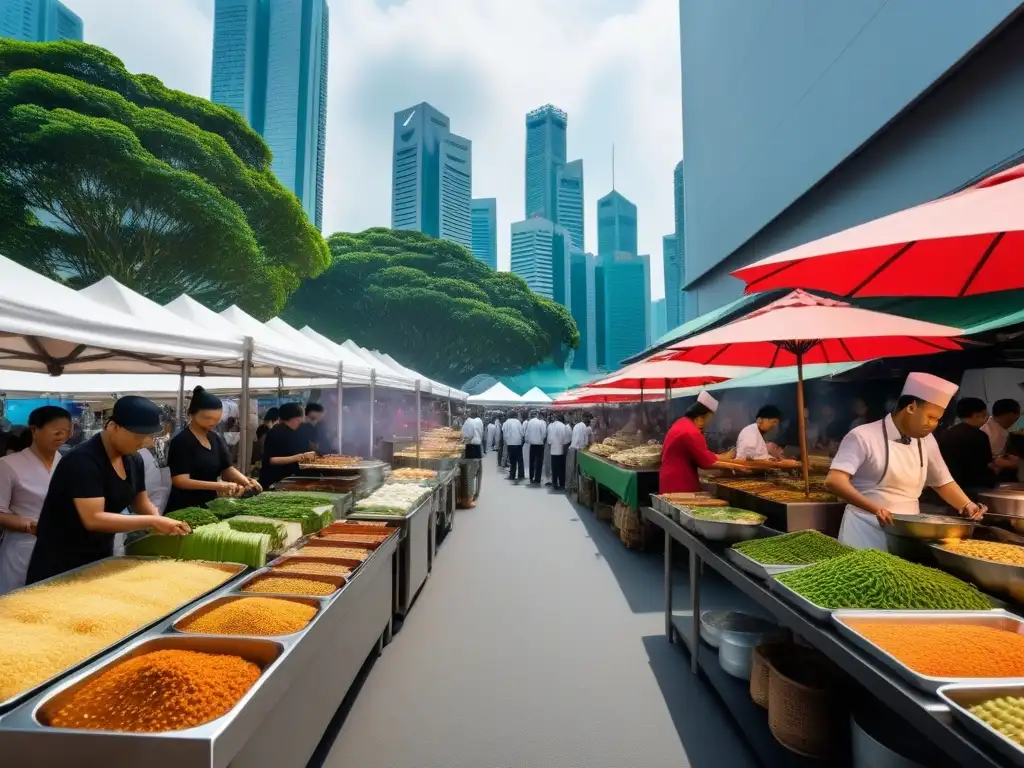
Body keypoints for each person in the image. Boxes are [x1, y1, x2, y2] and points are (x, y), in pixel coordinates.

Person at [25, 397, 191, 584]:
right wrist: (153, 521)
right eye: (138, 436)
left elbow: (140, 501)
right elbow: (93, 519)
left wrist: (159, 520)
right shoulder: (82, 460)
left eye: (149, 437)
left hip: (99, 556)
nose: (144, 442)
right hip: (61, 561)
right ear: (113, 427)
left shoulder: (133, 459)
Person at [825, 373, 986, 551]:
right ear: (911, 407)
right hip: (865, 529)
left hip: (908, 530)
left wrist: (967, 505)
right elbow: (834, 481)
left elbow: (942, 481)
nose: (933, 425)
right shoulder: (862, 435)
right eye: (930, 417)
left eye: (937, 420)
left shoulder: (927, 440)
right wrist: (875, 509)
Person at [0, 407, 71, 594]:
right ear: (34, 430)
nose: (61, 435)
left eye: (66, 430)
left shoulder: (65, 462)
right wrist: (28, 524)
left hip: (60, 546)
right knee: (17, 604)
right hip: (23, 548)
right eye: (55, 429)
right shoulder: (8, 465)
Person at [165, 387, 260, 514]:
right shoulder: (182, 441)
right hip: (185, 507)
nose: (212, 423)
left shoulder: (214, 438)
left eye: (216, 419)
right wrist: (219, 485)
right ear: (192, 414)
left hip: (210, 504)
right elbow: (180, 481)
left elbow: (226, 468)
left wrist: (245, 481)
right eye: (207, 418)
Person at [660, 392, 748, 493]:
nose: (707, 424)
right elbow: (705, 462)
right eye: (709, 419)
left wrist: (724, 457)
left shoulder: (683, 422)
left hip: (669, 478)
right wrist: (733, 465)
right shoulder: (691, 432)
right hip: (679, 481)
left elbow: (702, 453)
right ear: (701, 417)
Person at [937, 397, 1016, 494]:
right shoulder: (979, 435)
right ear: (978, 415)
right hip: (975, 486)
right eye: (985, 414)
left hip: (951, 485)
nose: (986, 418)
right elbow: (988, 464)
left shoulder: (946, 433)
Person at [258, 402, 316, 489]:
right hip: (275, 481)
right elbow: (271, 460)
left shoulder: (297, 432)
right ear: (298, 418)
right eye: (302, 417)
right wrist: (300, 457)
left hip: (291, 479)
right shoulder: (276, 433)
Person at [566, 413, 593, 493]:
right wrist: (586, 446)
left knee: (571, 468)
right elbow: (585, 441)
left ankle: (569, 486)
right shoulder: (584, 427)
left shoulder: (577, 425)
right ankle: (576, 487)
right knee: (578, 469)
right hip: (578, 449)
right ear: (586, 420)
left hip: (572, 448)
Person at [547, 413, 572, 490]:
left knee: (554, 468)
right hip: (561, 450)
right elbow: (566, 440)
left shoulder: (550, 426)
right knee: (561, 468)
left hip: (553, 450)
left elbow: (549, 439)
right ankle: (561, 483)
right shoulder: (563, 426)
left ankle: (554, 482)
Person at [524, 411, 548, 485]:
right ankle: (537, 479)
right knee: (539, 462)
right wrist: (541, 440)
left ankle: (531, 477)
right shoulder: (541, 422)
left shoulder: (529, 422)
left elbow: (526, 433)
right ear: (537, 415)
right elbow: (544, 433)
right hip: (540, 445)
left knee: (531, 461)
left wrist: (528, 440)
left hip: (532, 445)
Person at [503, 410, 525, 481]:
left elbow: (504, 432)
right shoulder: (518, 422)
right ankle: (521, 475)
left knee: (512, 461)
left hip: (510, 443)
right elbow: (522, 432)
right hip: (518, 443)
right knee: (520, 460)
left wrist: (506, 440)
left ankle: (512, 475)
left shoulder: (506, 422)